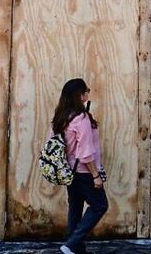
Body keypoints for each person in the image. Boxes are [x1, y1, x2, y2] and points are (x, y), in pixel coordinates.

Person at [51, 78, 108, 254]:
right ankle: (71, 244)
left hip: (69, 171)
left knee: (75, 206)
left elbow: (53, 142)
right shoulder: (81, 118)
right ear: (80, 95)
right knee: (100, 205)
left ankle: (75, 249)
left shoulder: (62, 116)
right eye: (86, 91)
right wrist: (95, 175)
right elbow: (85, 152)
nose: (88, 93)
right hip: (84, 171)